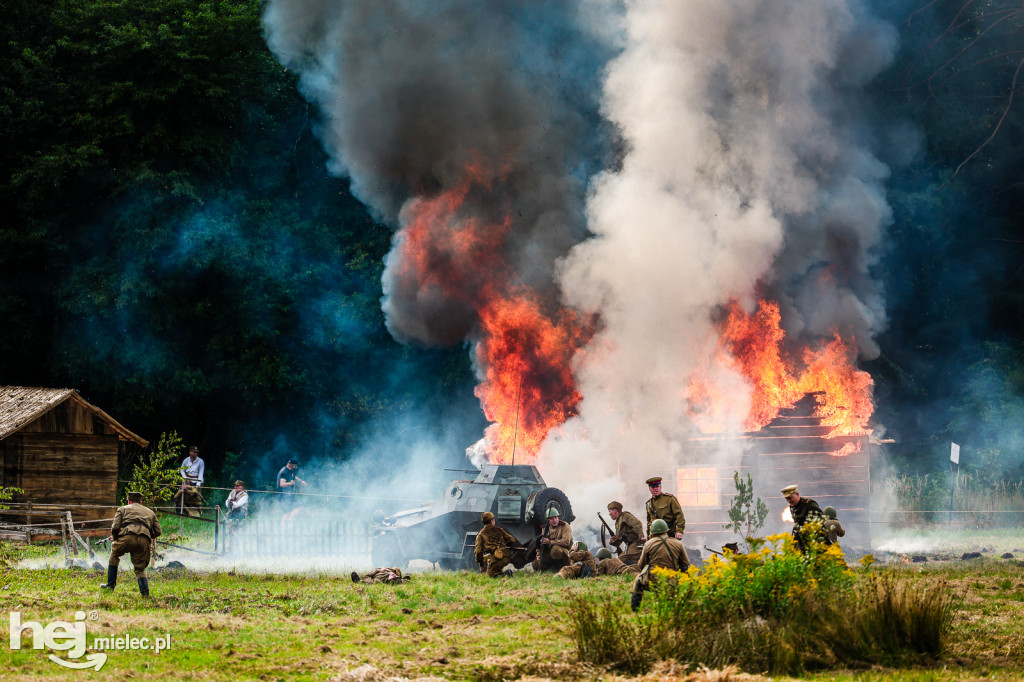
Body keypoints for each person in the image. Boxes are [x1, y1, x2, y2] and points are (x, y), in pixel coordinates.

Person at [100, 491, 162, 597]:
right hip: (144, 540)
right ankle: (145, 593)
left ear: (129, 501)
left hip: (127, 538)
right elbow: (158, 531)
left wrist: (115, 538)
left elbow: (115, 527)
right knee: (140, 568)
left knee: (114, 555)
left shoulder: (122, 509)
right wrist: (146, 536)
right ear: (141, 502)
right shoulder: (150, 512)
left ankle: (110, 586)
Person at [630, 518, 689, 611]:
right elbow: (685, 564)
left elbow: (641, 565)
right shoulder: (678, 544)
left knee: (638, 580)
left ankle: (635, 609)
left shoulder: (648, 544)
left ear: (652, 532)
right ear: (666, 530)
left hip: (653, 580)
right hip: (672, 580)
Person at [781, 484, 825, 552]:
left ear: (797, 494)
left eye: (790, 498)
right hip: (801, 543)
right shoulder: (792, 507)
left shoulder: (810, 504)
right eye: (787, 499)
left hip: (814, 542)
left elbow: (821, 520)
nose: (789, 501)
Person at [474, 511, 518, 577]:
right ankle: (496, 569)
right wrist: (504, 545)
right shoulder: (499, 529)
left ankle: (507, 573)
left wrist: (481, 565)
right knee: (484, 559)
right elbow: (512, 540)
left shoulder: (481, 534)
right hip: (506, 555)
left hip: (499, 557)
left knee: (490, 576)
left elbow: (478, 552)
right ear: (492, 520)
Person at [532, 507, 572, 572]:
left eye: (556, 517)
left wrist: (550, 542)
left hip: (563, 553)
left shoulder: (565, 526)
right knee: (535, 564)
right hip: (550, 553)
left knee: (555, 550)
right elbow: (541, 543)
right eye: (551, 518)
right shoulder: (545, 528)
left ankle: (560, 567)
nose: (554, 520)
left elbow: (566, 542)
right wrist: (538, 554)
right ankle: (550, 568)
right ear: (548, 520)